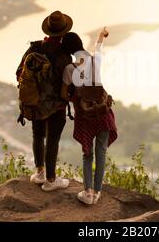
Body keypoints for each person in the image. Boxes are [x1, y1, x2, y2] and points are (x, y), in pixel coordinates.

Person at [16, 10, 73, 191]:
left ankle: (39, 173)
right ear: (63, 33)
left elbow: (19, 73)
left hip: (35, 104)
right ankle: (50, 180)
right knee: (53, 141)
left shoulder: (34, 48)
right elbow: (68, 86)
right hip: (56, 106)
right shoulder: (64, 56)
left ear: (48, 30)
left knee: (38, 135)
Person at [60, 28, 118, 205]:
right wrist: (101, 35)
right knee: (101, 153)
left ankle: (88, 192)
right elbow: (99, 48)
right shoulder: (94, 60)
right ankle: (98, 191)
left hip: (85, 118)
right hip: (102, 113)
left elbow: (64, 95)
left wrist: (75, 98)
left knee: (87, 154)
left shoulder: (70, 69)